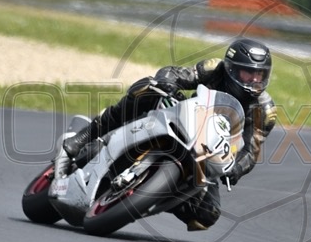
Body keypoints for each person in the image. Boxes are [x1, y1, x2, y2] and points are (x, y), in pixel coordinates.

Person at [60, 38, 277, 231]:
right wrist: (168, 81)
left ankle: (150, 196)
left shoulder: (265, 111)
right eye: (248, 73)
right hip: (183, 118)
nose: (254, 80)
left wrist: (236, 169)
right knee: (148, 89)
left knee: (207, 215)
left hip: (207, 152)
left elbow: (251, 152)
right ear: (231, 68)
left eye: (260, 75)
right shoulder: (214, 68)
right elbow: (175, 73)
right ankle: (86, 135)